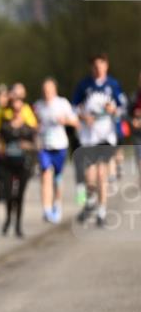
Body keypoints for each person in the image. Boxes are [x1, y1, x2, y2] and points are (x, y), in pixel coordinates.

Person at [71, 52, 127, 228]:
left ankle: (101, 212)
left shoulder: (113, 85)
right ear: (91, 68)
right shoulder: (84, 85)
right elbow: (73, 107)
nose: (98, 69)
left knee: (102, 174)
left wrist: (113, 110)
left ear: (106, 66)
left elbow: (123, 107)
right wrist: (83, 117)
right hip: (89, 137)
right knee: (90, 176)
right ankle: (91, 201)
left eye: (101, 65)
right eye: (95, 66)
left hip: (106, 135)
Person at [32, 78, 77, 223]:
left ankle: (57, 204)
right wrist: (36, 128)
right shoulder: (38, 106)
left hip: (60, 145)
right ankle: (46, 209)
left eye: (49, 90)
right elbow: (34, 124)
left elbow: (75, 122)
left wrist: (65, 121)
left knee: (57, 178)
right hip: (44, 147)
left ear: (55, 90)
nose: (47, 93)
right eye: (45, 90)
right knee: (45, 175)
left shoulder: (62, 103)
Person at [0, 89, 37, 237]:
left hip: (24, 165)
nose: (16, 112)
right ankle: (8, 219)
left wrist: (27, 145)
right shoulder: (5, 126)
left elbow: (37, 146)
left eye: (19, 110)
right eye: (13, 109)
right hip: (7, 164)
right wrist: (0, 148)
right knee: (8, 195)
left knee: (20, 196)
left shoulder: (28, 129)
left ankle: (18, 225)